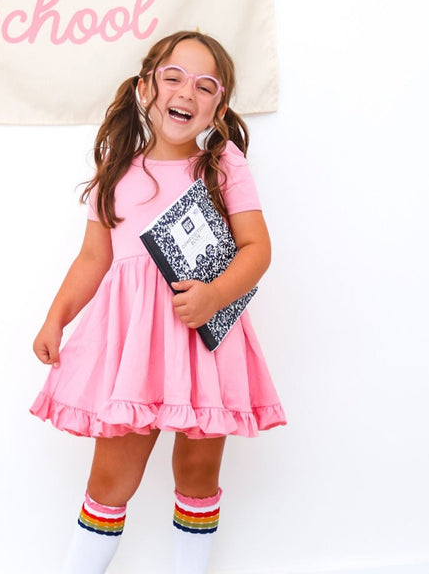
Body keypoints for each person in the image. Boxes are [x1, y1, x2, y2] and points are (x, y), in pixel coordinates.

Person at [30, 30, 286, 574]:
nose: (186, 92)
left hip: (203, 342)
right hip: (133, 348)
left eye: (205, 85)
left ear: (218, 107)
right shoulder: (117, 170)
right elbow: (92, 260)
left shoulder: (222, 165)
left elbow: (257, 249)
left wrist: (214, 294)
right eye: (173, 78)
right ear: (147, 87)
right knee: (110, 479)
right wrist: (56, 317)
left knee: (197, 472)